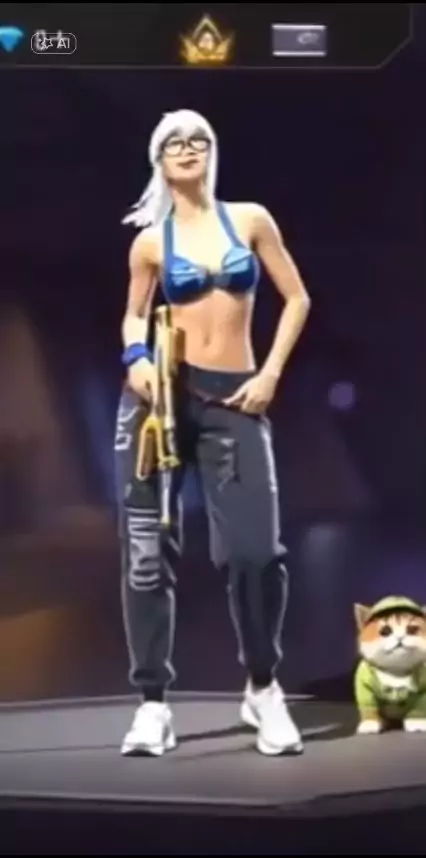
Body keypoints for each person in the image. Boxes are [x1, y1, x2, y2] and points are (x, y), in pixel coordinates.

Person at [115, 109, 311, 757]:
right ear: (159, 158)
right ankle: (152, 704)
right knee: (146, 553)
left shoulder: (249, 219)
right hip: (161, 400)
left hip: (235, 396)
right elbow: (133, 316)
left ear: (211, 151)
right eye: (174, 141)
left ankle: (262, 687)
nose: (187, 148)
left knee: (256, 552)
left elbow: (297, 297)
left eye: (198, 139)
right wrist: (136, 359)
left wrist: (271, 372)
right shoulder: (151, 242)